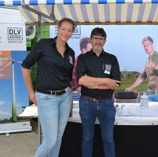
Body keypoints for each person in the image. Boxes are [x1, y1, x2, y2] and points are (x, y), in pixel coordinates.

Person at [21, 18, 75, 157]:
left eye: (69, 30)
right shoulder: (43, 45)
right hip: (46, 97)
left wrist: (71, 104)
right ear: (58, 29)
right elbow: (25, 66)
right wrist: (31, 93)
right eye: (63, 29)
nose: (66, 32)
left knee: (58, 137)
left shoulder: (71, 53)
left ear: (72, 33)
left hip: (66, 97)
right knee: (49, 141)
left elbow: (68, 78)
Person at [77, 27, 121, 157]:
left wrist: (92, 84)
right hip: (87, 103)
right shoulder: (83, 58)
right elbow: (81, 80)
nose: (98, 41)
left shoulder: (112, 59)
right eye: (95, 38)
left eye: (101, 39)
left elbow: (115, 83)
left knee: (108, 139)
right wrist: (106, 81)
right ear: (91, 40)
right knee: (87, 138)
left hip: (106, 104)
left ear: (105, 41)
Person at [125, 36, 158, 103]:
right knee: (146, 111)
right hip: (150, 92)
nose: (145, 48)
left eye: (147, 45)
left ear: (152, 45)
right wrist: (131, 88)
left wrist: (154, 66)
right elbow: (141, 77)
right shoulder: (147, 63)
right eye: (144, 46)